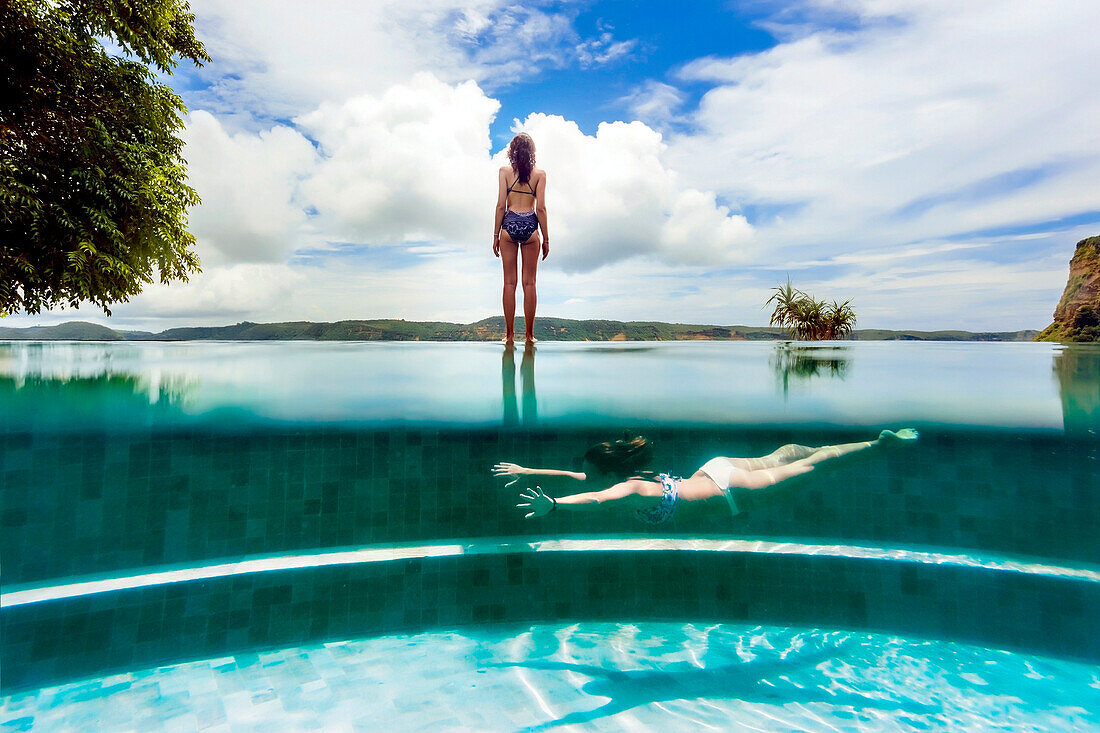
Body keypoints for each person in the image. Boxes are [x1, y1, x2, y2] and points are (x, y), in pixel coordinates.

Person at [493, 429, 919, 524]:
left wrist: (554, 506)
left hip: (730, 490)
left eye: (589, 472)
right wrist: (527, 470)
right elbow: (576, 478)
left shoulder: (629, 489)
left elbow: (597, 499)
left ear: (607, 473)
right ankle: (862, 443)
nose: (582, 476)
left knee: (811, 467)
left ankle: (879, 446)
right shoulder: (627, 476)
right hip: (714, 469)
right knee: (787, 454)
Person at [493, 133, 549, 343]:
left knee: (509, 283)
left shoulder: (504, 172)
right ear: (532, 152)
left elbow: (500, 205)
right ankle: (529, 335)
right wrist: (546, 238)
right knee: (530, 284)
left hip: (509, 224)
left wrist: (496, 234)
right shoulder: (540, 175)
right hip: (530, 226)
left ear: (512, 151)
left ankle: (508, 336)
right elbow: (541, 209)